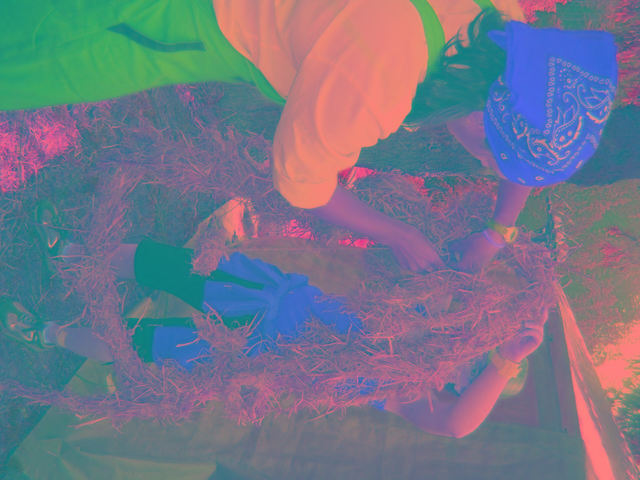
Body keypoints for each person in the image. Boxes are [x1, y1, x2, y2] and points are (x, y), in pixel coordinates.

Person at [0, 1, 618, 275]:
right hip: (187, 16)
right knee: (32, 50)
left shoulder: (502, 23)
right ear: (483, 115)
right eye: (487, 152)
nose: (481, 162)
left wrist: (496, 232)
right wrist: (398, 233)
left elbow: (527, 125)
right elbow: (302, 183)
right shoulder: (378, 79)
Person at [1, 198, 547, 439]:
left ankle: (46, 334)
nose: (465, 357)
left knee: (141, 344)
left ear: (463, 386)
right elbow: (457, 278)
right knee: (168, 264)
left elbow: (456, 427)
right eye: (477, 351)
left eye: (474, 368)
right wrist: (503, 243)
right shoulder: (421, 326)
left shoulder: (409, 393)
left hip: (250, 357)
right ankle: (68, 253)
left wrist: (505, 362)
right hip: (264, 294)